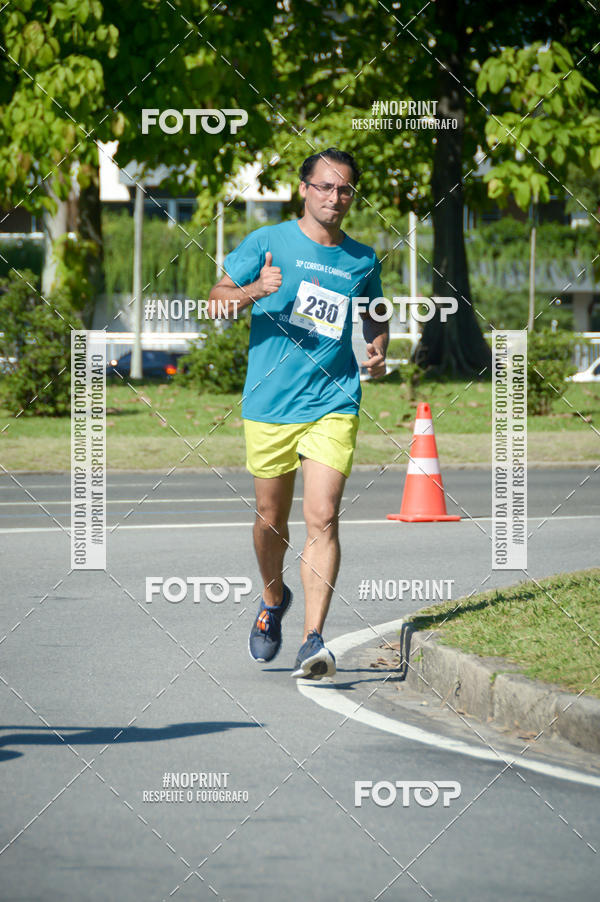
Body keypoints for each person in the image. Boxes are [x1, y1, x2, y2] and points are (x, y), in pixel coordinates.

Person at [208, 148, 388, 679]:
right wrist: (250, 292)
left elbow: (375, 314)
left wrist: (378, 348)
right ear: (304, 189)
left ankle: (313, 639)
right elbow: (215, 299)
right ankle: (272, 598)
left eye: (345, 189)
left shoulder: (361, 259)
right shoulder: (268, 243)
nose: (336, 198)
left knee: (323, 516)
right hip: (269, 404)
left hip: (333, 401)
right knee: (271, 520)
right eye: (326, 187)